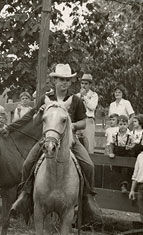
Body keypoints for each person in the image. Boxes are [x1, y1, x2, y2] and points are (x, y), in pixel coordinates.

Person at [10, 63, 102, 224]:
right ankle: (24, 196)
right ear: (55, 81)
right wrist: (39, 113)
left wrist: (71, 126)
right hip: (47, 139)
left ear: (70, 82)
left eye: (67, 80)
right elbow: (35, 122)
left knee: (89, 165)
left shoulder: (76, 100)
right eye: (61, 79)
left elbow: (83, 123)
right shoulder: (47, 99)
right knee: (27, 164)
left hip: (70, 140)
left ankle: (88, 201)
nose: (64, 82)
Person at [107, 115, 135, 193]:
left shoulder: (130, 134)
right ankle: (116, 186)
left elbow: (134, 144)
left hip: (126, 152)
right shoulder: (114, 134)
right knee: (116, 169)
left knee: (125, 169)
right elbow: (111, 144)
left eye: (124, 124)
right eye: (121, 124)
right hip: (117, 151)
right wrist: (111, 153)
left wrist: (130, 147)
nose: (123, 126)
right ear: (118, 125)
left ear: (127, 124)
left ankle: (124, 185)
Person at [76, 74, 98, 153]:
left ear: (90, 85)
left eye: (86, 84)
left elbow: (92, 107)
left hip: (89, 121)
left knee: (89, 147)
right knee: (77, 146)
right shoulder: (77, 96)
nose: (83, 86)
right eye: (82, 83)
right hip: (79, 122)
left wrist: (84, 97)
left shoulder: (94, 95)